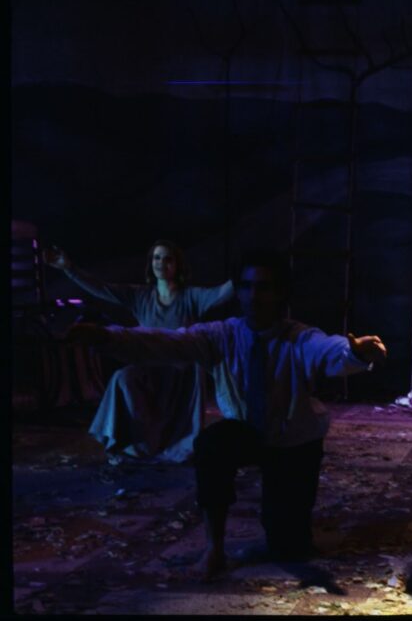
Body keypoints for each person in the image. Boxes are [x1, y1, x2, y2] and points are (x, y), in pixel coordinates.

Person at [65, 249, 388, 581]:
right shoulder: (223, 334)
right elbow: (166, 341)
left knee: (289, 547)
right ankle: (214, 548)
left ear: (280, 293)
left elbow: (329, 350)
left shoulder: (298, 337)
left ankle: (286, 528)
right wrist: (106, 337)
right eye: (246, 287)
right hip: (246, 430)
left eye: (264, 287)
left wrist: (355, 352)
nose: (253, 296)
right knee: (211, 444)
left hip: (294, 440)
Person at [45, 241, 234, 464]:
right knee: (122, 378)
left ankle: (167, 443)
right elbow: (102, 288)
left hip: (181, 373)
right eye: (157, 258)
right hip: (148, 368)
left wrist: (245, 274)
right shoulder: (141, 296)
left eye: (167, 258)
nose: (161, 263)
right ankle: (129, 443)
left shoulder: (192, 297)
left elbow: (222, 293)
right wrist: (69, 268)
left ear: (178, 265)